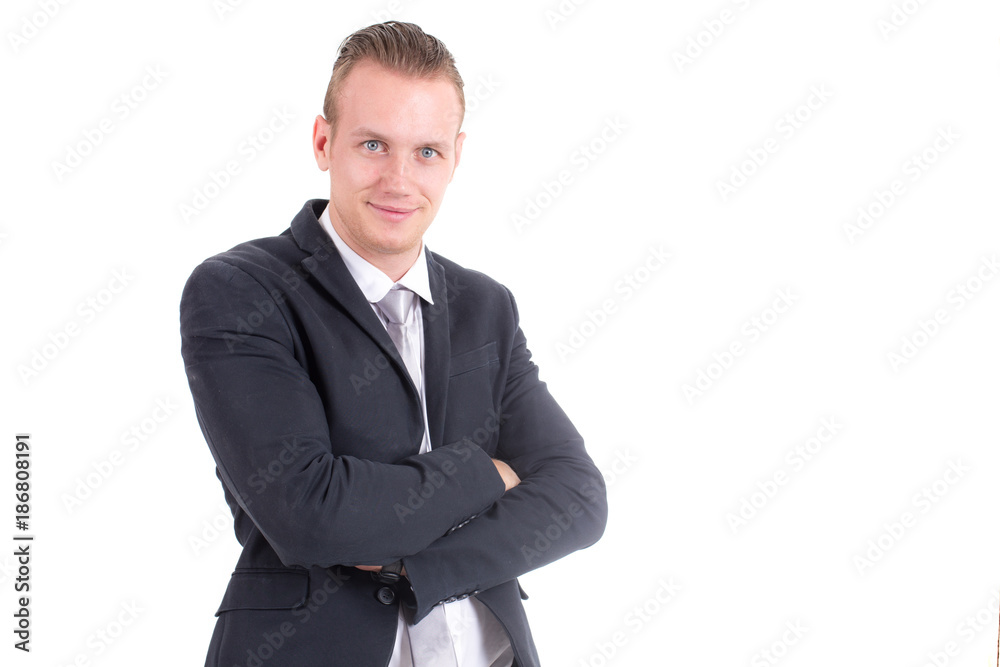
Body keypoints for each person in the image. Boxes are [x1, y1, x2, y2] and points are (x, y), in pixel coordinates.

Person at [179, 21, 607, 667]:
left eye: (427, 151)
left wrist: (416, 565)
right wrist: (488, 473)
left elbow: (577, 499)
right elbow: (310, 513)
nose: (400, 180)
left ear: (456, 157)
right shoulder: (241, 290)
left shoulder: (484, 306)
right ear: (324, 142)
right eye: (374, 144)